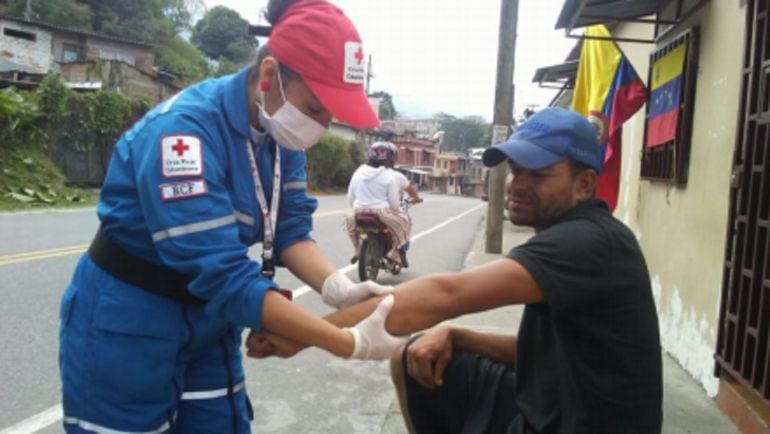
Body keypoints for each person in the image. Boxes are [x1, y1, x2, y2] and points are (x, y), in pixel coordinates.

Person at [58, 1, 403, 432]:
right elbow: (224, 275)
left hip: (208, 318)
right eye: (316, 107)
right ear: (269, 75)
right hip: (129, 320)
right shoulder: (183, 134)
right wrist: (345, 341)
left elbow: (291, 230)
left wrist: (336, 289)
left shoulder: (281, 134)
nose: (322, 124)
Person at [316, 107, 662, 433]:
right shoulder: (577, 234)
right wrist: (457, 336)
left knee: (413, 356)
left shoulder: (585, 241)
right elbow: (543, 353)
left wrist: (306, 332)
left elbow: (447, 295)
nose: (516, 184)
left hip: (584, 423)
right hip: (557, 402)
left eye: (539, 174)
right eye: (515, 169)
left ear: (584, 185)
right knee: (413, 357)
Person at [345, 141, 423, 267]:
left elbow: (350, 197)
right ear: (391, 158)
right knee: (406, 222)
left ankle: (356, 249)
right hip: (381, 212)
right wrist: (396, 212)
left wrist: (356, 207)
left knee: (349, 223)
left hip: (358, 210)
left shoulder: (359, 171)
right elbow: (393, 202)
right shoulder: (389, 175)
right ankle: (394, 254)